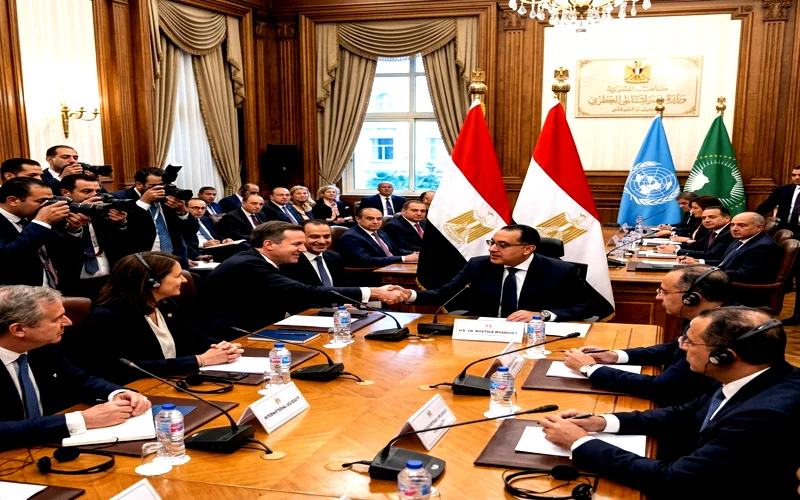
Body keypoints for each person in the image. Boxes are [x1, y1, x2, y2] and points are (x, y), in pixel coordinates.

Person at [540, 307, 800, 500]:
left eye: (690, 342)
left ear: (723, 356)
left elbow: (674, 480)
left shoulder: (764, 415)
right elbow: (686, 414)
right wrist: (601, 422)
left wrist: (579, 443)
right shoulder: (756, 374)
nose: (681, 347)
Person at [0, 285, 151, 451]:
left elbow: (79, 379)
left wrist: (117, 393)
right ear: (19, 329)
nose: (68, 322)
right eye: (57, 319)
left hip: (50, 447)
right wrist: (81, 420)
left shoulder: (41, 347)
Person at [199, 221, 404, 340]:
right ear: (269, 244)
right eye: (297, 244)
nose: (303, 249)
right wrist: (374, 292)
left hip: (264, 326)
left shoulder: (261, 260)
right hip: (233, 335)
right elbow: (305, 291)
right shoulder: (248, 264)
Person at [562, 265, 726, 407]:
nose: (658, 297)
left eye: (664, 292)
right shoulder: (709, 317)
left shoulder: (718, 333)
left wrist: (589, 368)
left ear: (691, 298)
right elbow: (673, 348)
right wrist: (613, 356)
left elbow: (660, 387)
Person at [78, 252, 243, 385]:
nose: (184, 280)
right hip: (138, 389)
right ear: (153, 282)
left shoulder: (165, 303)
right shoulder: (107, 317)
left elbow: (191, 334)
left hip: (174, 380)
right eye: (178, 276)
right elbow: (128, 368)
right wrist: (199, 360)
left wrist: (221, 347)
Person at [394, 225, 596, 322]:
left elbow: (585, 307)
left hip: (535, 336)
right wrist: (409, 294)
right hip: (487, 333)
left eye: (503, 245)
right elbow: (444, 294)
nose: (492, 249)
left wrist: (541, 315)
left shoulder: (560, 271)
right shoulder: (478, 265)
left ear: (528, 249)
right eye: (492, 243)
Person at [51, 173, 130, 301]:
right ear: (65, 193)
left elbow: (123, 245)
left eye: (97, 191)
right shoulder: (55, 216)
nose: (94, 195)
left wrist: (121, 224)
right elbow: (59, 252)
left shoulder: (102, 212)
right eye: (87, 191)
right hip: (74, 282)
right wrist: (76, 223)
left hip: (109, 279)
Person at [678, 212, 782, 307]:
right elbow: (723, 263)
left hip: (742, 293)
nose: (734, 229)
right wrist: (698, 262)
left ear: (759, 228)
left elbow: (744, 275)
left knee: (683, 290)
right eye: (732, 225)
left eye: (741, 225)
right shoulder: (741, 238)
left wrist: (705, 271)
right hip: (727, 284)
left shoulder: (764, 247)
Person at [0, 178, 82, 288]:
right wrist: (41, 222)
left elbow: (62, 254)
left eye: (50, 201)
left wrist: (73, 230)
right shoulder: (41, 220)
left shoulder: (33, 216)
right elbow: (5, 256)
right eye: (41, 201)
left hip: (54, 288)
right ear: (13, 201)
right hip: (17, 292)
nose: (47, 206)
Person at [111, 167, 198, 269]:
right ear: (139, 184)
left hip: (175, 259)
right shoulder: (119, 198)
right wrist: (143, 202)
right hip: (142, 262)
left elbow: (191, 230)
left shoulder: (168, 196)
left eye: (162, 185)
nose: (160, 189)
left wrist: (182, 211)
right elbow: (122, 234)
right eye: (154, 186)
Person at [337, 208, 418, 268]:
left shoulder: (380, 232)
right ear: (358, 219)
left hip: (391, 266)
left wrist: (415, 253)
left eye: (379, 219)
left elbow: (395, 249)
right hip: (372, 273)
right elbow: (364, 260)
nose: (376, 222)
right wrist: (403, 258)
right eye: (370, 218)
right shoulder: (351, 237)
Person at [280, 219, 347, 288]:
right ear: (300, 237)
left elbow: (343, 285)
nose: (322, 241)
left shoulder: (334, 257)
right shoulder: (289, 261)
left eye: (326, 236)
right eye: (314, 237)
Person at [655, 206, 732, 262]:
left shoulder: (730, 233)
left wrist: (676, 250)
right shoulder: (713, 230)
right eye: (703, 218)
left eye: (712, 217)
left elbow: (711, 255)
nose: (706, 220)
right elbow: (698, 245)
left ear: (727, 218)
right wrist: (675, 246)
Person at [755, 164, 800, 234]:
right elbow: (767, 205)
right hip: (784, 227)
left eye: (799, 175)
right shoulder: (783, 189)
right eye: (794, 175)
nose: (796, 177)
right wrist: (753, 217)